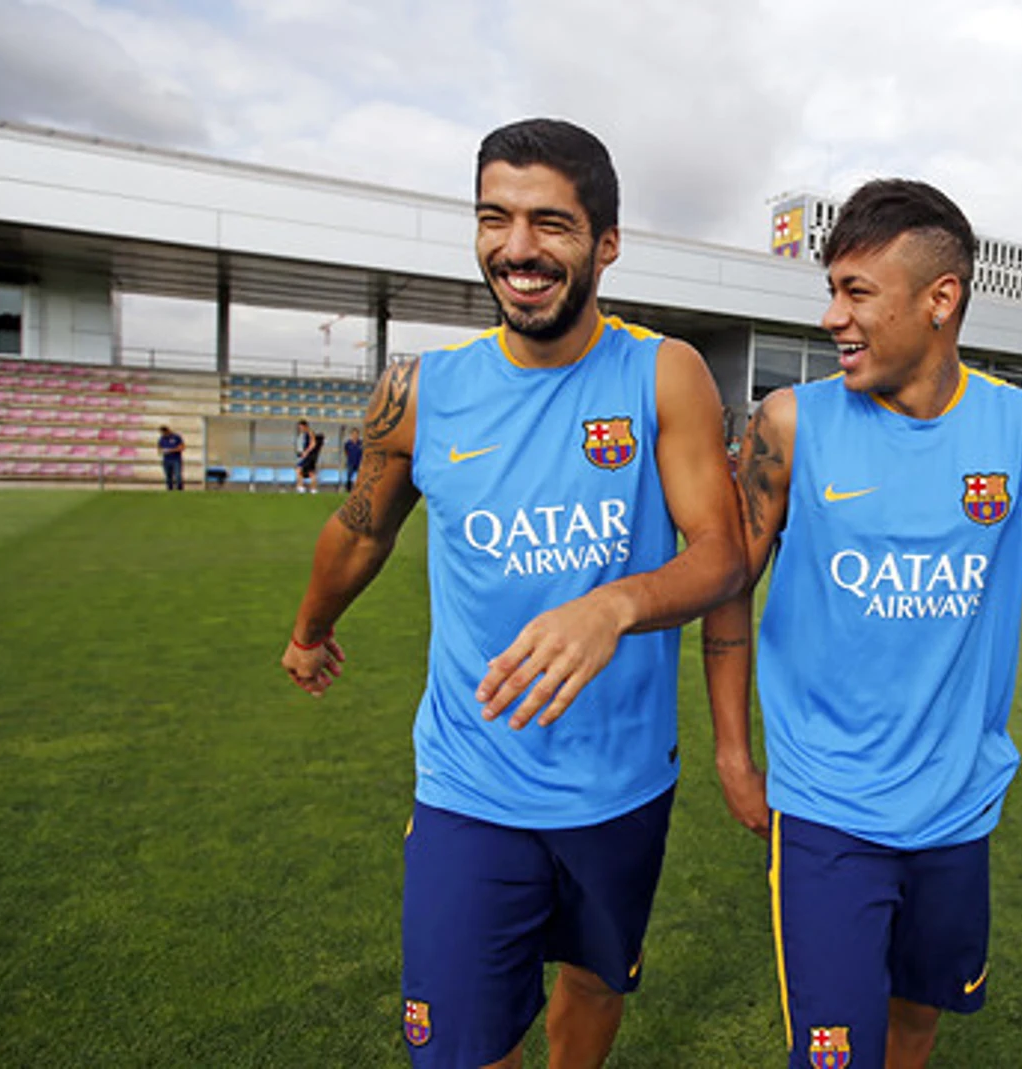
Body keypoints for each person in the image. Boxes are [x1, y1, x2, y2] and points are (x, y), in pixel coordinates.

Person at [701, 179, 1022, 1069]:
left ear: (942, 299)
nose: (831, 318)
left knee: (917, 1022)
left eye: (857, 292)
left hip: (957, 810)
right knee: (832, 1056)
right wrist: (734, 754)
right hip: (827, 808)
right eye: (832, 290)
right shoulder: (790, 425)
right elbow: (728, 585)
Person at [280, 118, 742, 1069]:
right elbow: (362, 530)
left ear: (606, 243)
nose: (518, 249)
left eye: (550, 223)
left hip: (622, 783)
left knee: (591, 982)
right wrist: (309, 628)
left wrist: (613, 606)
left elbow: (723, 555)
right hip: (470, 783)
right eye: (495, 218)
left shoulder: (666, 373)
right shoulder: (419, 390)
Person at [294, 419, 319, 493]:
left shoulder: (310, 432)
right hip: (309, 456)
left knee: (299, 469)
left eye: (301, 427)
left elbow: (313, 443)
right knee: (310, 472)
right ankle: (313, 489)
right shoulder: (304, 434)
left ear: (305, 426)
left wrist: (306, 452)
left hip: (310, 456)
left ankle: (301, 487)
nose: (300, 429)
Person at [157, 424, 184, 490]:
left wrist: (170, 450)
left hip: (176, 459)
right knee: (168, 476)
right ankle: (169, 489)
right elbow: (159, 449)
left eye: (163, 432)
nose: (163, 434)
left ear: (167, 431)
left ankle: (179, 489)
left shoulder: (176, 437)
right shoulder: (162, 438)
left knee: (178, 475)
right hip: (166, 460)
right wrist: (162, 451)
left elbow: (182, 447)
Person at [343, 427, 363, 492]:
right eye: (353, 434)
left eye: (356, 434)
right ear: (351, 435)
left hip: (359, 462)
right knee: (349, 476)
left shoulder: (361, 443)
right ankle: (348, 489)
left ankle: (359, 489)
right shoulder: (348, 443)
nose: (355, 435)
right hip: (351, 462)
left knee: (360, 476)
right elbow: (345, 451)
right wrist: (348, 457)